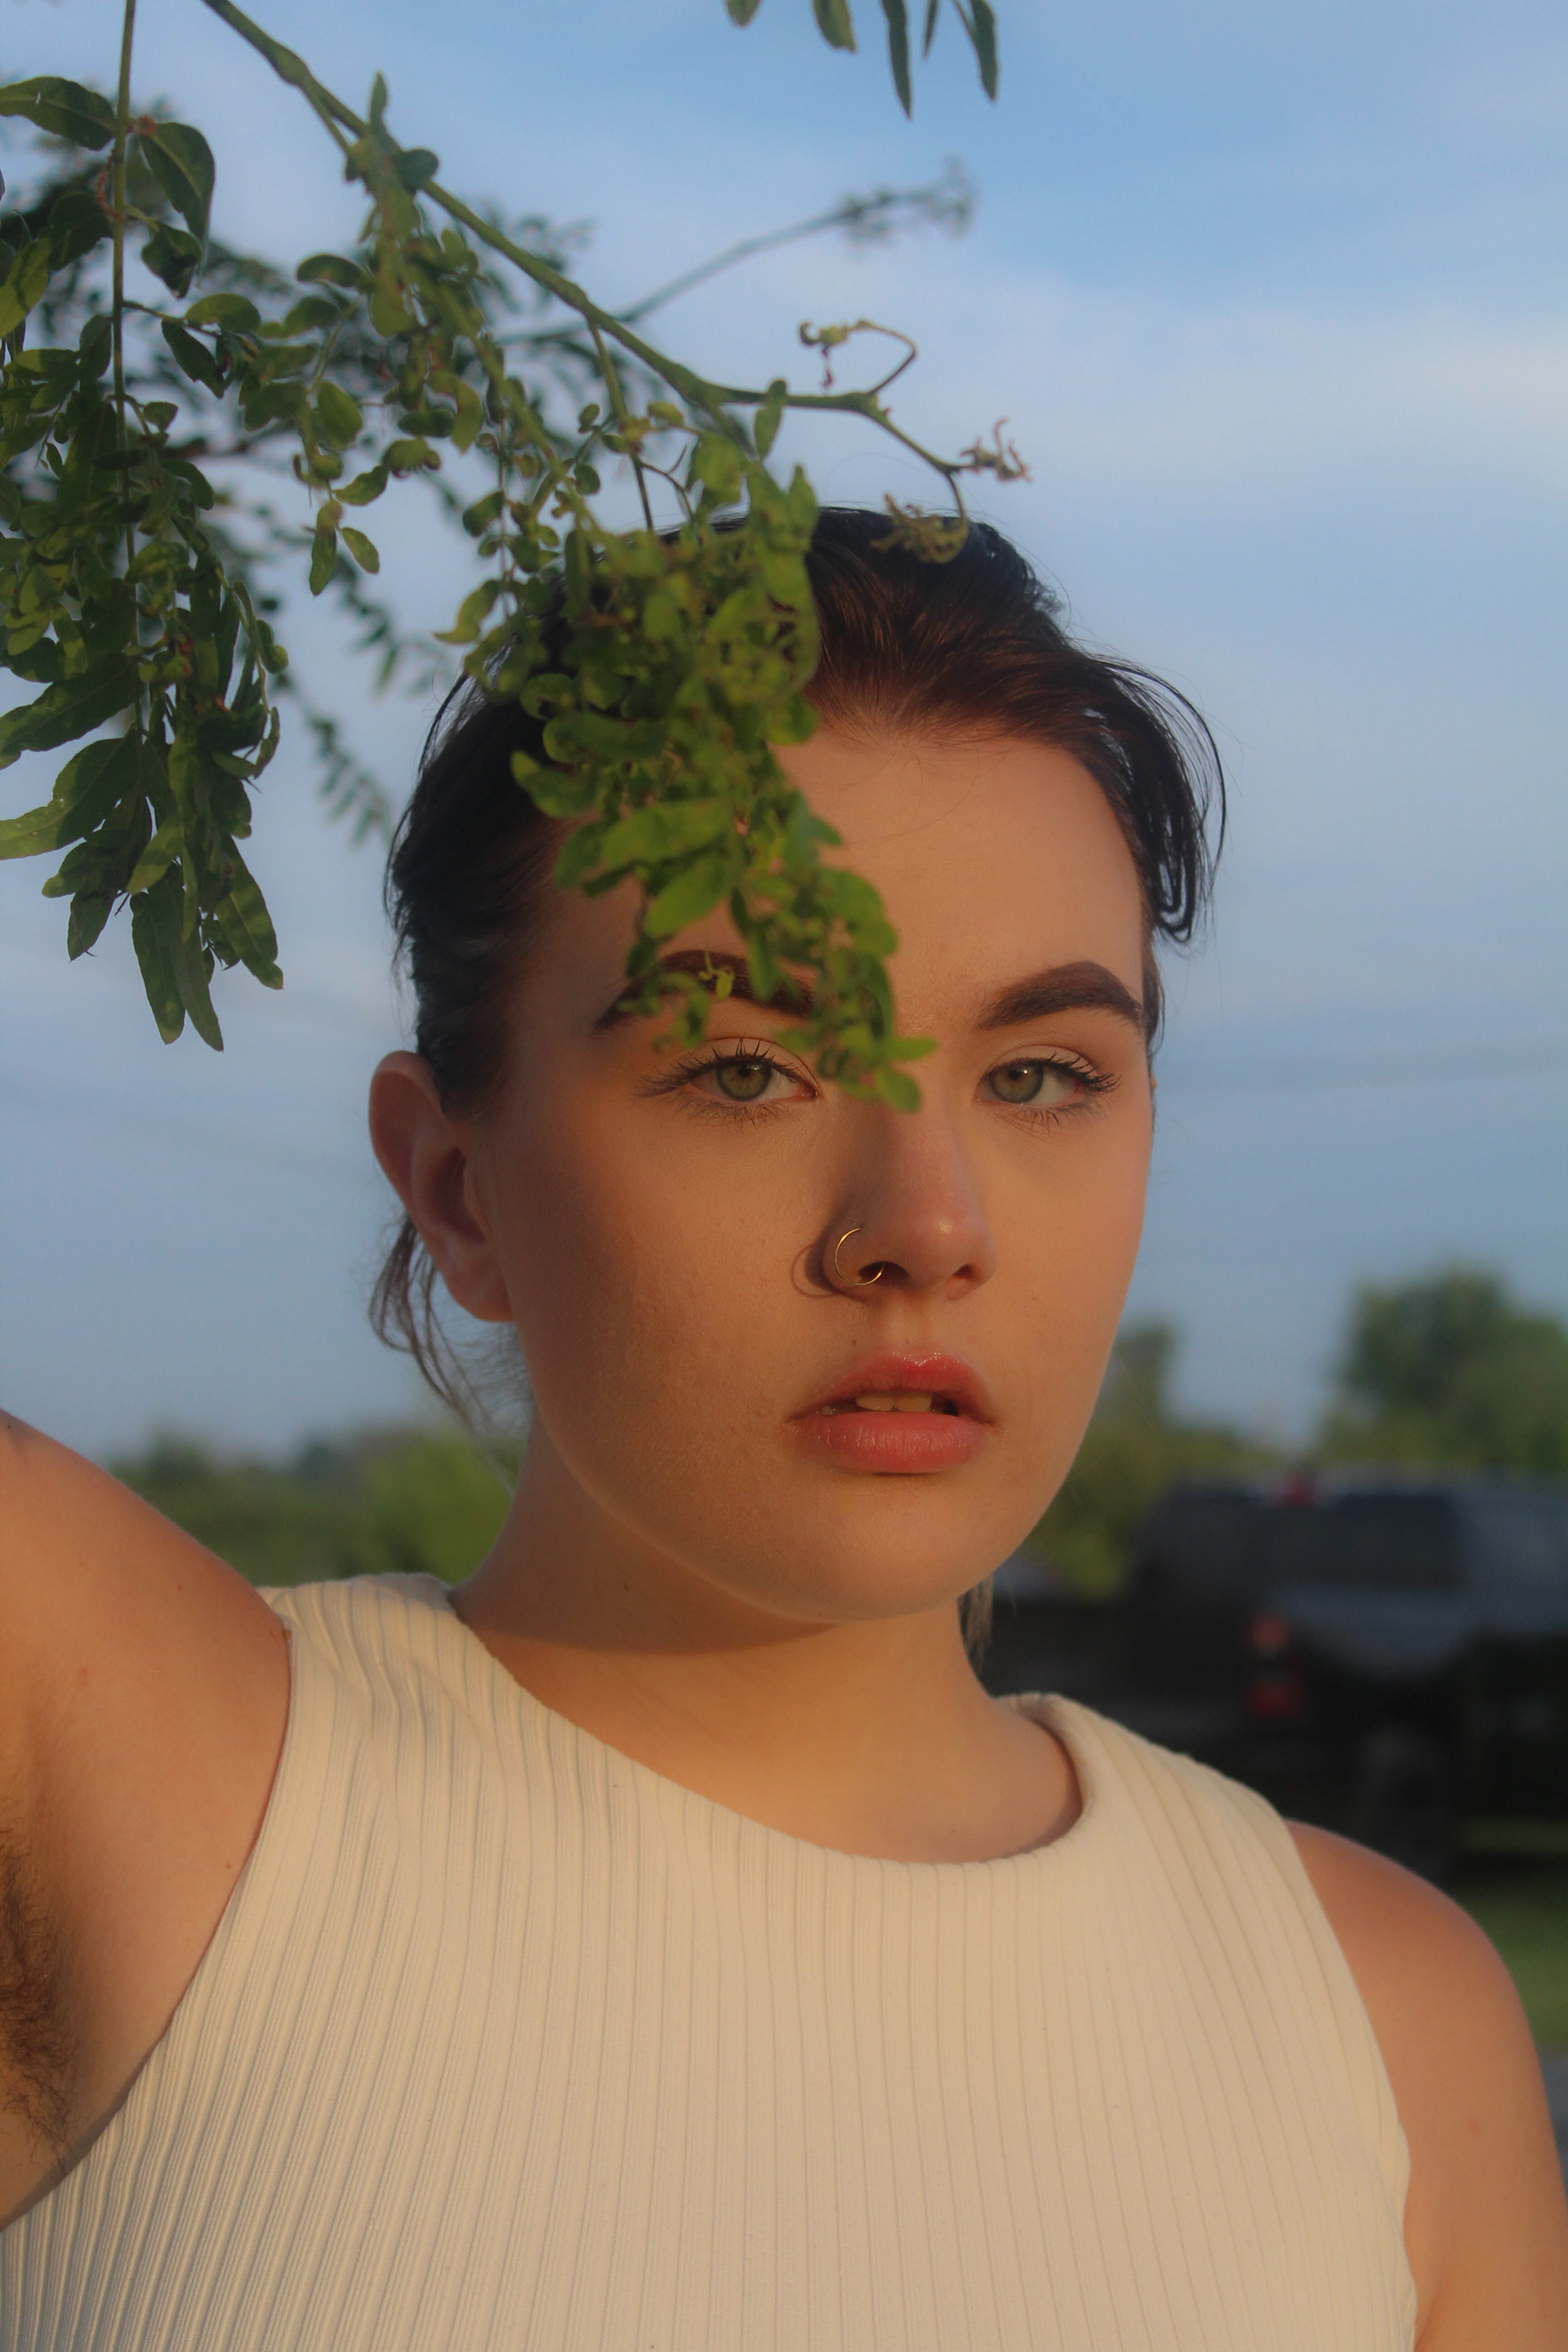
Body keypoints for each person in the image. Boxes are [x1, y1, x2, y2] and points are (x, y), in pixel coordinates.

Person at [2, 510, 1564, 2351]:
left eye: (1041, 1074)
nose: (928, 1225)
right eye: (745, 1065)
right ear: (454, 1187)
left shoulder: (1391, 2030)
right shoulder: (112, 1762)